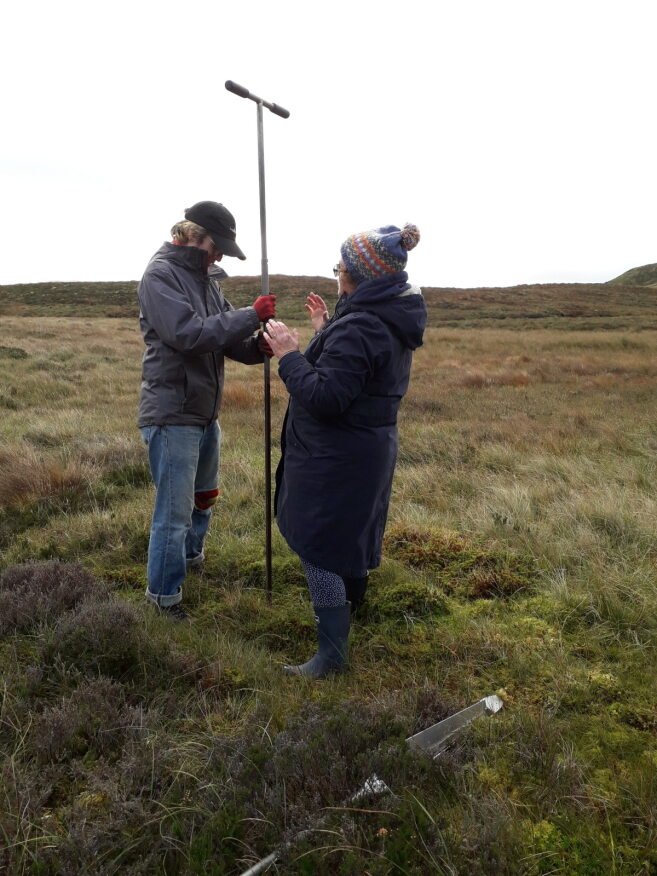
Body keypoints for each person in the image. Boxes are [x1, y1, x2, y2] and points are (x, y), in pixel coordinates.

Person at [264, 223, 427, 677]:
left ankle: (331, 656)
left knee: (321, 549)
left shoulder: (362, 328)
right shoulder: (382, 318)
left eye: (339, 266)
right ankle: (352, 612)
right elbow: (354, 370)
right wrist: (326, 330)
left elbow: (326, 397)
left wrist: (290, 354)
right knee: (348, 537)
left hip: (336, 456)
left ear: (355, 275)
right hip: (360, 451)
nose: (336, 273)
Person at [137, 200, 276, 620]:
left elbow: (225, 339)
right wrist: (250, 315)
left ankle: (192, 561)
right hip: (172, 414)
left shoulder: (207, 280)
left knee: (204, 497)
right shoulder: (160, 275)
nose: (220, 257)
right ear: (195, 236)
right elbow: (189, 334)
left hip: (202, 412)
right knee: (173, 514)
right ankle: (163, 598)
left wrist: (257, 347)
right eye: (218, 248)